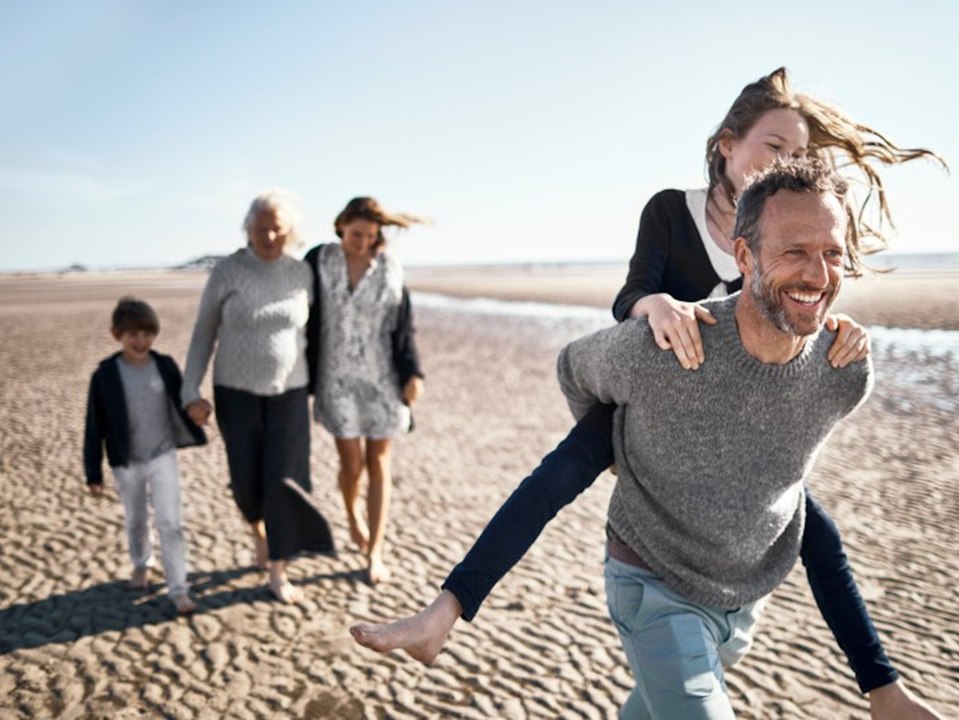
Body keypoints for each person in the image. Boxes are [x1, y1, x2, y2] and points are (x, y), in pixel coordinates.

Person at [350, 69, 945, 717]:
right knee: (559, 473)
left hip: (738, 482)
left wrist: (824, 321)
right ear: (727, 145)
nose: (787, 162)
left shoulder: (814, 288)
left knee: (798, 510)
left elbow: (805, 287)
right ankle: (448, 607)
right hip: (657, 369)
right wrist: (649, 334)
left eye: (799, 153)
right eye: (773, 148)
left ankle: (879, 686)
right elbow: (624, 302)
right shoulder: (675, 213)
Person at [182, 189, 335, 604]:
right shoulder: (228, 272)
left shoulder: (302, 274)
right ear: (247, 228)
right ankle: (259, 531)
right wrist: (189, 388)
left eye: (277, 228)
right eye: (261, 228)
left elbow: (321, 333)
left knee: (283, 481)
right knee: (247, 483)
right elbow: (203, 332)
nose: (269, 236)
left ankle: (278, 570)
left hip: (290, 392)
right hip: (235, 392)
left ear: (291, 231)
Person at [304, 197, 426, 584]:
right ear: (340, 226)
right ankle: (352, 513)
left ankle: (375, 550)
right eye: (357, 234)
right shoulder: (318, 261)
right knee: (351, 464)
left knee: (379, 462)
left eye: (371, 236)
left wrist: (413, 373)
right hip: (334, 377)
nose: (363, 242)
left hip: (382, 378)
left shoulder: (389, 267)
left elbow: (403, 325)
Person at [84, 297, 206, 615]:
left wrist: (198, 412)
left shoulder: (164, 365)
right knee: (137, 519)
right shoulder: (105, 375)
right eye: (133, 334)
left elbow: (185, 401)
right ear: (117, 335)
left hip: (162, 455)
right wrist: (93, 473)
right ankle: (142, 564)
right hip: (127, 461)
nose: (141, 341)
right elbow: (93, 425)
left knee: (170, 523)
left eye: (147, 334)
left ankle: (179, 589)